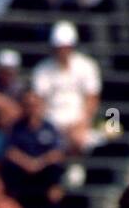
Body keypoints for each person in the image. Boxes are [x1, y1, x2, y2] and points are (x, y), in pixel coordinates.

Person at [30, 21, 101, 156]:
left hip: (79, 124)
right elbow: (38, 102)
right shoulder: (42, 69)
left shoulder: (87, 66)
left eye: (65, 47)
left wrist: (82, 123)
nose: (62, 51)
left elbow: (92, 99)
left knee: (81, 139)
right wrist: (51, 127)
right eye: (59, 47)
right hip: (50, 124)